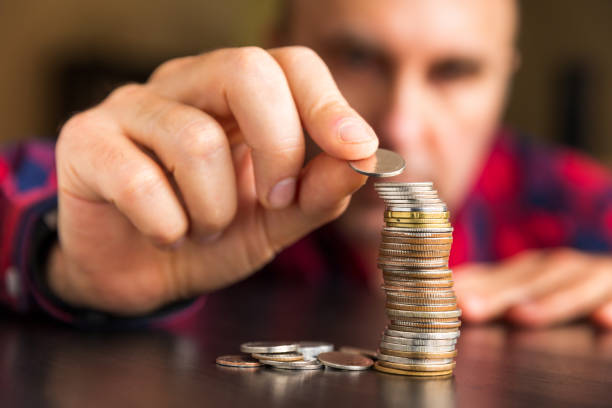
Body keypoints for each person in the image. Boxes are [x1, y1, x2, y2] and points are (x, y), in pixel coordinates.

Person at [1, 0, 611, 328]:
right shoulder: (181, 168)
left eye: (455, 71)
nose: (398, 124)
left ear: (505, 74)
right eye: (358, 56)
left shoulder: (584, 207)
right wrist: (59, 260)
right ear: (279, 44)